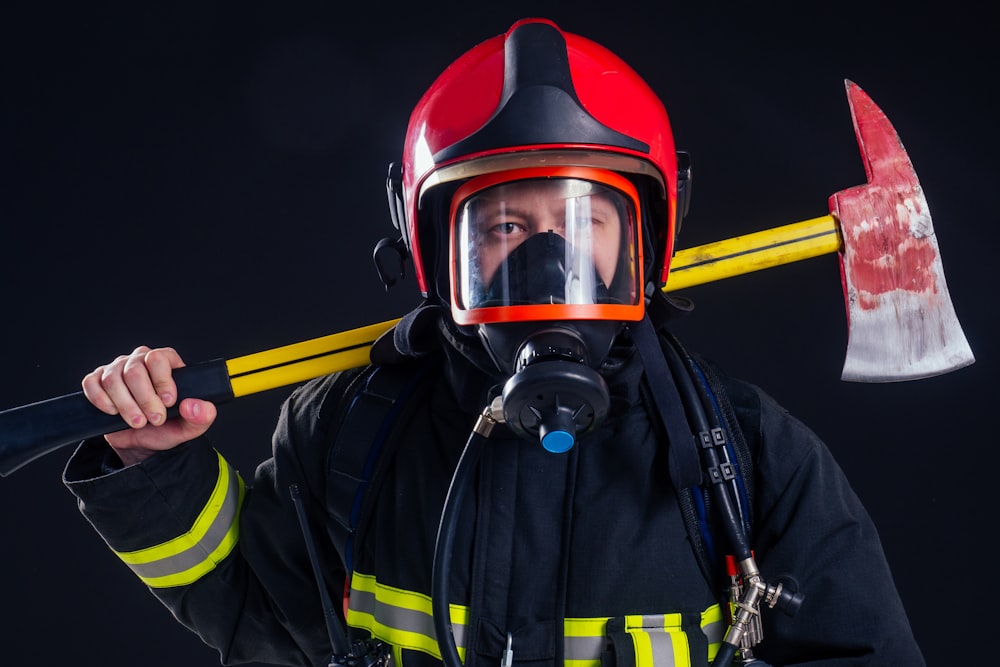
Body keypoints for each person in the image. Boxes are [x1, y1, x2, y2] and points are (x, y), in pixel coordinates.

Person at [63, 17, 926, 667]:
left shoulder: (745, 453)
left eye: (584, 218)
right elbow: (257, 613)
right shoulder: (345, 432)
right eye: (504, 222)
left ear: (649, 238)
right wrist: (153, 467)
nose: (548, 255)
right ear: (433, 247)